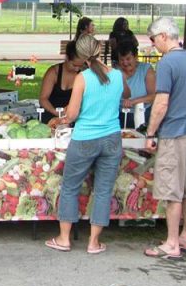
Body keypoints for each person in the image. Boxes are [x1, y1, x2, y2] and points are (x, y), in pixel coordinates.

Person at [44, 34, 130, 255]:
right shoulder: (118, 76)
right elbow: (126, 94)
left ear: (82, 56)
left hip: (85, 138)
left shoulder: (83, 78)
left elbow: (72, 114)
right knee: (103, 190)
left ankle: (64, 239)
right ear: (100, 49)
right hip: (112, 138)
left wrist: (59, 120)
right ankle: (94, 242)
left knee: (70, 186)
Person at [143, 17, 186, 260]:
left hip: (174, 132)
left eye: (153, 39)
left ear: (164, 36)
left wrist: (150, 133)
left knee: (171, 190)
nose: (153, 44)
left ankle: (171, 243)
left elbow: (161, 102)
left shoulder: (167, 63)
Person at [38, 40, 86, 123]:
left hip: (73, 118)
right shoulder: (54, 72)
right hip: (50, 116)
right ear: (67, 58)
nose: (77, 69)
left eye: (80, 66)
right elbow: (43, 99)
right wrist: (56, 112)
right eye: (74, 65)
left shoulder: (83, 74)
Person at [117, 41, 156, 128]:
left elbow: (153, 96)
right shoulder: (115, 72)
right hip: (119, 114)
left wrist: (132, 101)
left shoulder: (146, 69)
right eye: (121, 60)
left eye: (128, 59)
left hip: (143, 114)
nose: (125, 63)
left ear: (136, 57)